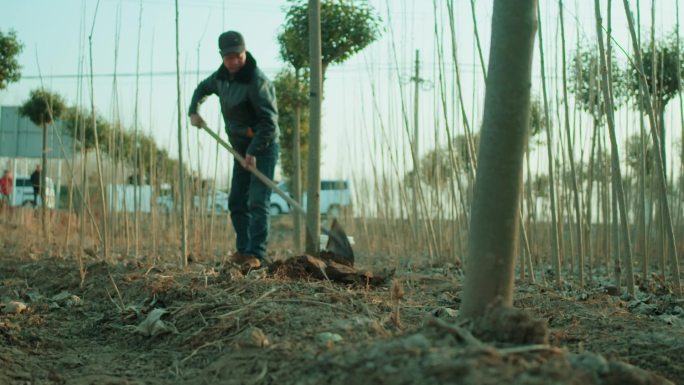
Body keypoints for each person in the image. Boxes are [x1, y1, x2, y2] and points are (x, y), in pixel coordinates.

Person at [189, 31, 279, 269]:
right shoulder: (220, 79)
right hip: (240, 148)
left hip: (263, 147)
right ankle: (243, 250)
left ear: (244, 51)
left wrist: (253, 152)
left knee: (258, 201)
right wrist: (194, 110)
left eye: (238, 55)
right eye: (229, 57)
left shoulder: (257, 82)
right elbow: (201, 89)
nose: (235, 61)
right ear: (222, 57)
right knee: (237, 201)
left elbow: (270, 124)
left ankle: (256, 254)